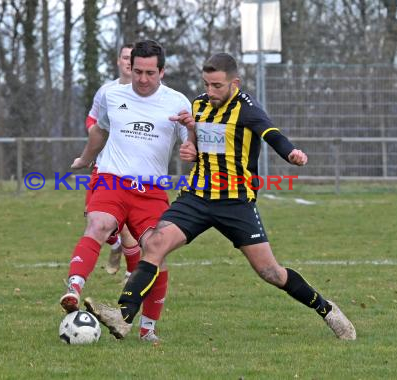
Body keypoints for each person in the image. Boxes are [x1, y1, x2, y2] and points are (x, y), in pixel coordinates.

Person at [89, 53, 357, 341]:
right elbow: (195, 140)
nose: (210, 92)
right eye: (206, 84)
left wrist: (290, 153)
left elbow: (272, 134)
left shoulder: (247, 109)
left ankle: (328, 310)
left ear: (234, 83)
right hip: (196, 197)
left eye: (217, 86)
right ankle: (124, 315)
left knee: (270, 272)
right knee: (155, 244)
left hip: (235, 202)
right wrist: (190, 147)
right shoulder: (199, 105)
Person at [60, 40, 197, 343]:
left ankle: (148, 328)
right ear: (129, 67)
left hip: (151, 190)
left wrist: (192, 144)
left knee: (155, 251)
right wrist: (85, 159)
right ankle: (73, 288)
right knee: (99, 224)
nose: (143, 79)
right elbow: (100, 131)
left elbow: (192, 141)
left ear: (162, 71)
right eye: (138, 72)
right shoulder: (112, 95)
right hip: (112, 180)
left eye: (150, 73)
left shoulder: (177, 102)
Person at [84, 43, 141, 280]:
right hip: (105, 164)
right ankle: (116, 243)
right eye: (125, 57)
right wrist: (98, 137)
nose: (128, 62)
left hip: (134, 169)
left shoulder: (151, 94)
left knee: (126, 222)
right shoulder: (107, 91)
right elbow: (92, 120)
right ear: (118, 61)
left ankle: (133, 272)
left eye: (133, 58)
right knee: (92, 214)